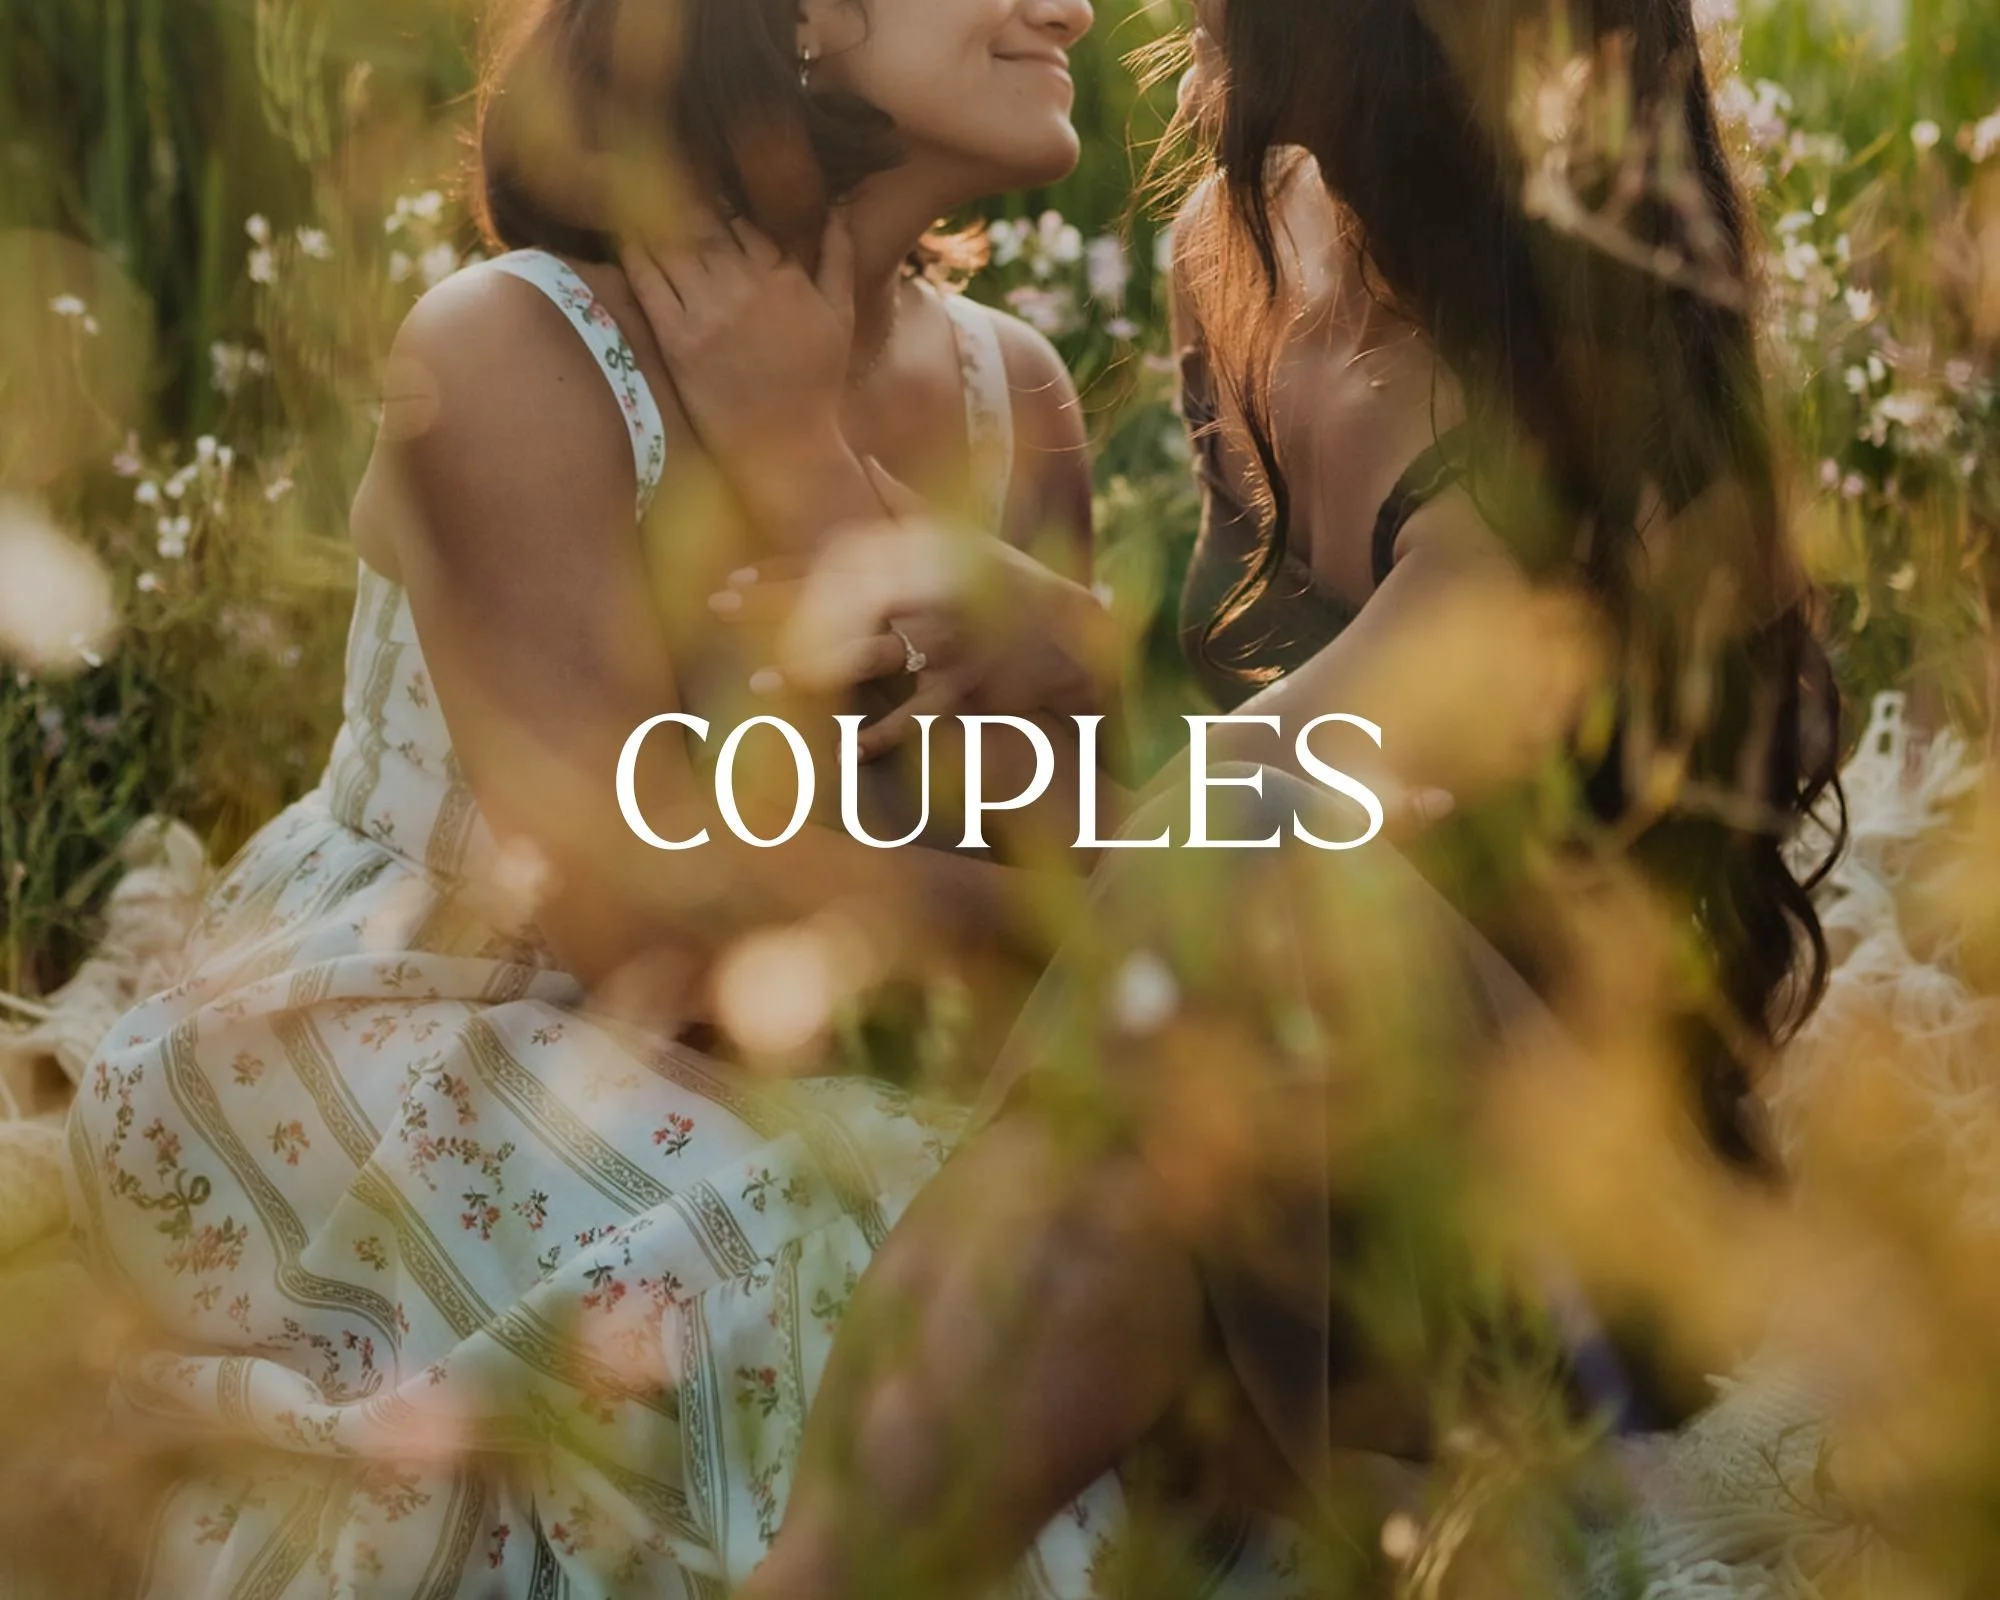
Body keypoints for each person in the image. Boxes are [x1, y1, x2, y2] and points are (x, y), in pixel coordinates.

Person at [610, 0, 1846, 1593]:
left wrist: (1014, 623)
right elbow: (1206, 815)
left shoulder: (1598, 387)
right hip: (1278, 1122)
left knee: (1246, 869)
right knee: (1130, 1175)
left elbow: (1276, 806)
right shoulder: (1242, 249)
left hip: (1563, 1223)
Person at [58, 0, 1286, 1592]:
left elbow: (1024, 874)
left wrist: (858, 514)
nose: (1068, 2)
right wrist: (1076, 919)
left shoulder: (1012, 392)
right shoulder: (516, 343)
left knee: (1143, 1264)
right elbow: (640, 910)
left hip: (826, 1053)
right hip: (444, 1031)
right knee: (867, 1290)